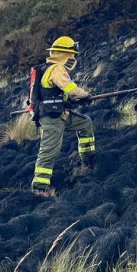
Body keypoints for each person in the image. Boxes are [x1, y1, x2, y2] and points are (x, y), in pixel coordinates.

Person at [31, 36, 96, 196]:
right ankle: (40, 188)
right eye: (71, 54)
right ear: (63, 54)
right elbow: (70, 88)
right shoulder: (57, 69)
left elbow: (60, 94)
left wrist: (74, 101)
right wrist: (85, 95)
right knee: (49, 150)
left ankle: (88, 161)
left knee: (85, 123)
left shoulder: (48, 68)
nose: (73, 58)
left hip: (61, 114)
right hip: (52, 118)